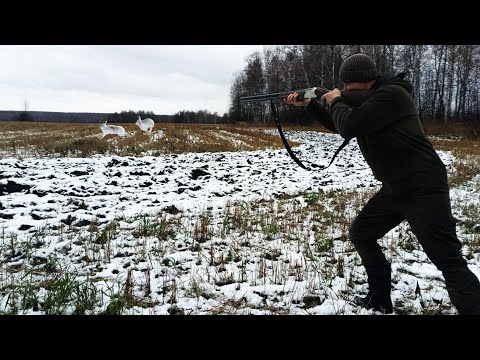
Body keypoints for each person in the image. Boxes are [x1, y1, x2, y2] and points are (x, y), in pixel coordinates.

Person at [285, 53, 480, 315]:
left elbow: (350, 125)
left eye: (348, 85)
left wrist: (335, 99)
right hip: (395, 188)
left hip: (423, 188)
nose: (344, 89)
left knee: (448, 259)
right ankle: (379, 299)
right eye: (343, 85)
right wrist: (310, 104)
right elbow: (339, 121)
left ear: (366, 81)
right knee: (362, 233)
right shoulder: (370, 100)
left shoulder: (393, 96)